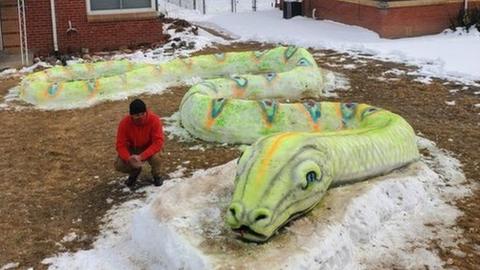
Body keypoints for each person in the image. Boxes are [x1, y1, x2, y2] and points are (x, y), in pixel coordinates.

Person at [115, 99, 165, 187]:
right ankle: (135, 172)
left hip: (150, 147)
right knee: (119, 165)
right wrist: (128, 158)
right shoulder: (124, 123)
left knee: (157, 157)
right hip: (134, 149)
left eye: (143, 113)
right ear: (132, 115)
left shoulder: (154, 119)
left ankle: (157, 175)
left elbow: (158, 142)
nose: (141, 117)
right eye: (137, 115)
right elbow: (120, 145)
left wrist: (141, 156)